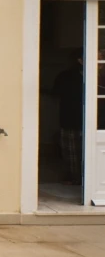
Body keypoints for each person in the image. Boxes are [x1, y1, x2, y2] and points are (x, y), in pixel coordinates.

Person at [53, 49, 85, 184]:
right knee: (72, 152)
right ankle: (76, 178)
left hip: (78, 119)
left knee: (73, 151)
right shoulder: (66, 76)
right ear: (80, 60)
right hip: (72, 118)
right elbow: (57, 93)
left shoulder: (64, 75)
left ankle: (77, 178)